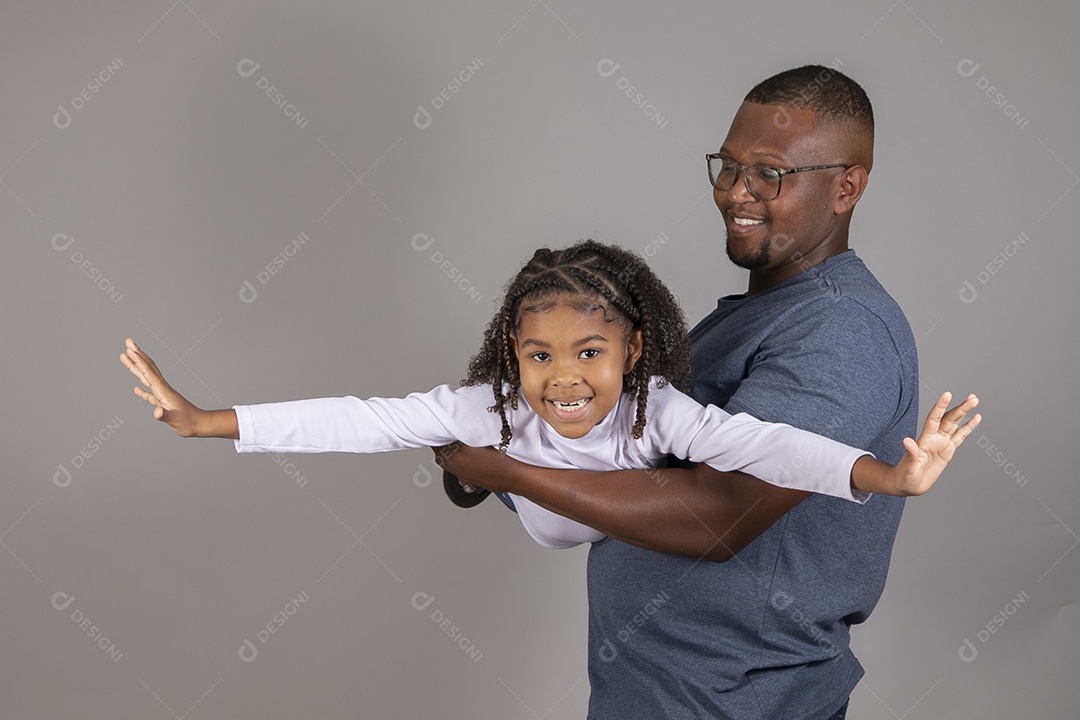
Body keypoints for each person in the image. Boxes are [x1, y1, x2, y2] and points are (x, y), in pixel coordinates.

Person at [435, 66, 936, 719]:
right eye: (726, 167)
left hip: (736, 702)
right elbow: (623, 467)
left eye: (769, 173)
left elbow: (720, 511)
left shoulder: (841, 332)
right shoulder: (745, 320)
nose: (736, 193)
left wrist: (508, 469)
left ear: (847, 186)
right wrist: (486, 455)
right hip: (656, 695)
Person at [120, 241, 976, 555]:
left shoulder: (657, 408)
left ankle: (489, 475)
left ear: (634, 354)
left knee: (715, 441)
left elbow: (764, 446)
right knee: (443, 438)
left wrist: (881, 476)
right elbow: (359, 418)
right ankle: (474, 477)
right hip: (535, 507)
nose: (564, 378)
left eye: (590, 353)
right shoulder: (490, 408)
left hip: (582, 489)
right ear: (511, 356)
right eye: (538, 355)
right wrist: (204, 422)